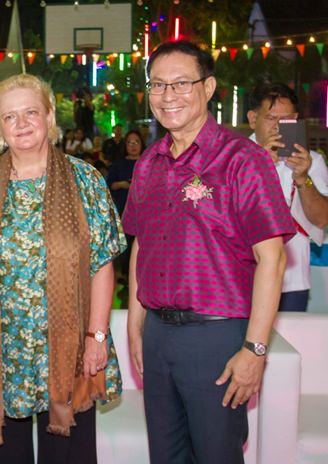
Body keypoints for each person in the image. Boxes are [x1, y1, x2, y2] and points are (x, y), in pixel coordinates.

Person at [122, 40, 295, 464]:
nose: (168, 96)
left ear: (210, 86)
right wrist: (134, 324)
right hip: (158, 336)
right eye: (158, 85)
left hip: (216, 338)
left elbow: (272, 258)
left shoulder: (242, 160)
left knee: (217, 455)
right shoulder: (149, 162)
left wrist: (254, 349)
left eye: (181, 83)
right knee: (166, 455)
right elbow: (141, 243)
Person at [0, 74, 125, 464]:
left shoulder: (86, 180)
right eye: (10, 117)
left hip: (69, 346)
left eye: (31, 112)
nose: (22, 123)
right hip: (1, 349)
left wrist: (97, 335)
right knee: (8, 455)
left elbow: (102, 264)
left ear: (49, 116)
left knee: (67, 454)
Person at [248, 83, 328, 312]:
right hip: (241, 276)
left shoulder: (311, 161)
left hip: (291, 281)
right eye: (271, 118)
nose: (278, 127)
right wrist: (259, 166)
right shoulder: (236, 158)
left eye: (286, 119)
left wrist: (303, 178)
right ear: (253, 119)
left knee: (290, 345)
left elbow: (322, 219)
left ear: (295, 118)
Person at [107, 129, 144, 291]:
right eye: (130, 142)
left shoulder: (148, 162)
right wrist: (122, 184)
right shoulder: (118, 164)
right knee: (125, 243)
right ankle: (124, 274)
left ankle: (140, 275)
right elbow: (110, 185)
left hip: (144, 209)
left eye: (136, 142)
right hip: (123, 208)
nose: (133, 145)